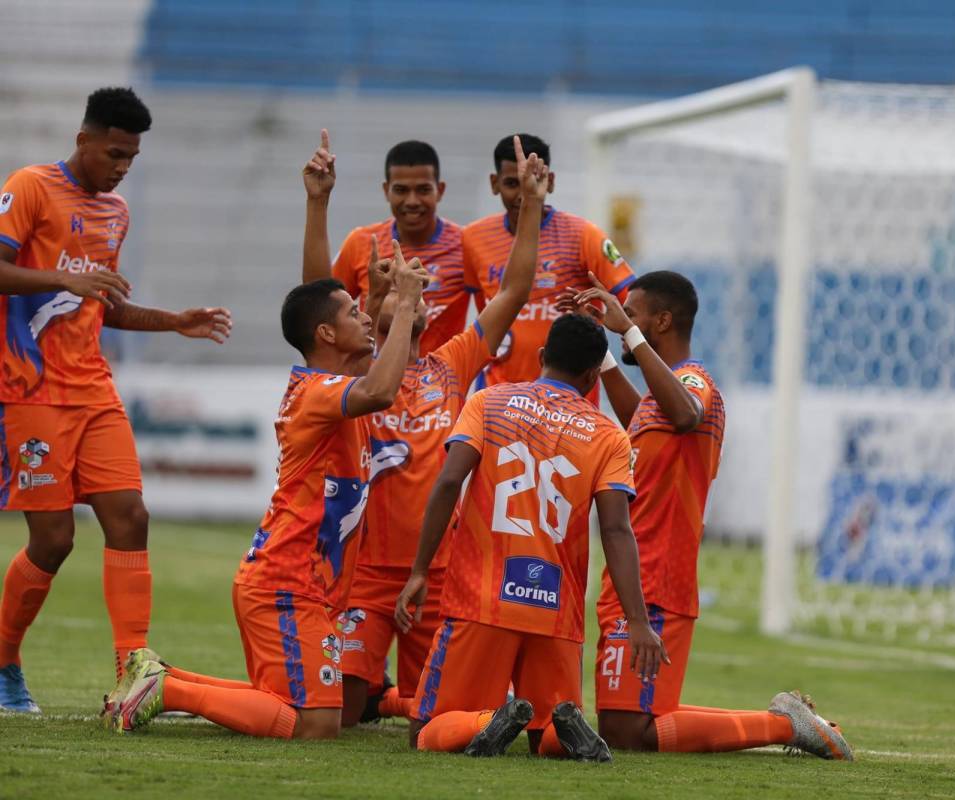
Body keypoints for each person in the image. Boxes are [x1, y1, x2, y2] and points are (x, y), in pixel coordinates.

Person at [101, 240, 428, 739]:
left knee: (293, 708)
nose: (366, 318)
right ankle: (169, 692)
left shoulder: (334, 384)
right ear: (324, 333)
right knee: (317, 725)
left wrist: (381, 295)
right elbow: (381, 388)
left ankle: (158, 679)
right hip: (286, 583)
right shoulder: (319, 392)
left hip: (297, 585)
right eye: (353, 313)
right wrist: (403, 303)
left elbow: (374, 373)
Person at [299, 131, 550, 726]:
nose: (409, 281)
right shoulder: (358, 374)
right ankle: (382, 694)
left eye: (417, 281)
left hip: (436, 571)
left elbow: (515, 290)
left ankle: (442, 704)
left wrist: (532, 207)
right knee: (341, 707)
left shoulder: (454, 363)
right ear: (369, 306)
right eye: (393, 280)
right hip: (364, 573)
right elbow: (314, 299)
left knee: (437, 719)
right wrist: (318, 204)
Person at [0, 87, 232, 713]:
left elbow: (105, 304)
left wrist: (174, 321)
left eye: (131, 157)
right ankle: (3, 664)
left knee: (130, 516)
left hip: (94, 390)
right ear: (84, 140)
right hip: (30, 391)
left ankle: (133, 673)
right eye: (114, 153)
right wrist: (62, 276)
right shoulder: (29, 187)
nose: (122, 166)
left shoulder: (116, 211)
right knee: (52, 540)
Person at [558, 271, 854, 760]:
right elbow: (644, 416)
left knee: (629, 733)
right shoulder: (661, 395)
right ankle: (787, 723)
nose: (622, 320)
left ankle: (784, 728)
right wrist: (604, 351)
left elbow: (685, 413)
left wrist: (626, 335)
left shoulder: (695, 382)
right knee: (627, 724)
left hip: (659, 576)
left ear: (663, 321)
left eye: (632, 314)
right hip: (634, 574)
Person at [394, 313, 666, 760]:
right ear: (593, 374)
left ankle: (490, 720)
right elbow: (617, 529)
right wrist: (637, 621)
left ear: (542, 356)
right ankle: (566, 732)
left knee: (426, 731)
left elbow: (448, 483)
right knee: (547, 737)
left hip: (481, 602)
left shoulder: (489, 401)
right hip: (555, 611)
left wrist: (421, 570)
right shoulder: (608, 436)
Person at [461, 133, 636, 401]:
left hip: (569, 402)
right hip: (498, 399)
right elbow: (486, 317)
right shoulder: (474, 238)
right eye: (512, 184)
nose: (523, 195)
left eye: (533, 182)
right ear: (494, 184)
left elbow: (632, 303)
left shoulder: (583, 236)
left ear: (550, 182)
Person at [305, 132, 467, 356]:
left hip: (438, 387)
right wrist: (317, 200)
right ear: (385, 190)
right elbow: (316, 303)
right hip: (372, 385)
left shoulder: (466, 245)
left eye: (423, 190)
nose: (412, 201)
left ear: (439, 190)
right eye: (401, 190)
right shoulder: (362, 243)